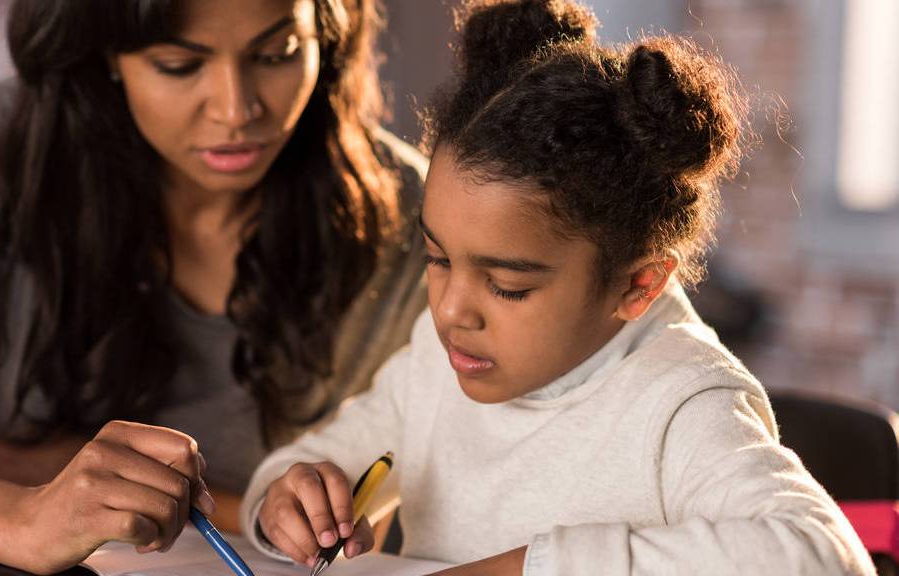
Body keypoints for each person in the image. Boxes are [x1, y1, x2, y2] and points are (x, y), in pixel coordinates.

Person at [240, 1, 876, 574]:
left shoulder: (683, 400)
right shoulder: (438, 365)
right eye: (437, 259)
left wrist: (532, 566)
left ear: (639, 285)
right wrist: (285, 501)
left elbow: (822, 555)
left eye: (508, 286)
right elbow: (306, 467)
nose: (451, 309)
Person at [0, 0, 426, 571]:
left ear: (328, 39)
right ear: (111, 53)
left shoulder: (419, 219)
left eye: (276, 53)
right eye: (178, 65)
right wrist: (17, 517)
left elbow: (373, 515)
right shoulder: (15, 141)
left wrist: (78, 475)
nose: (236, 110)